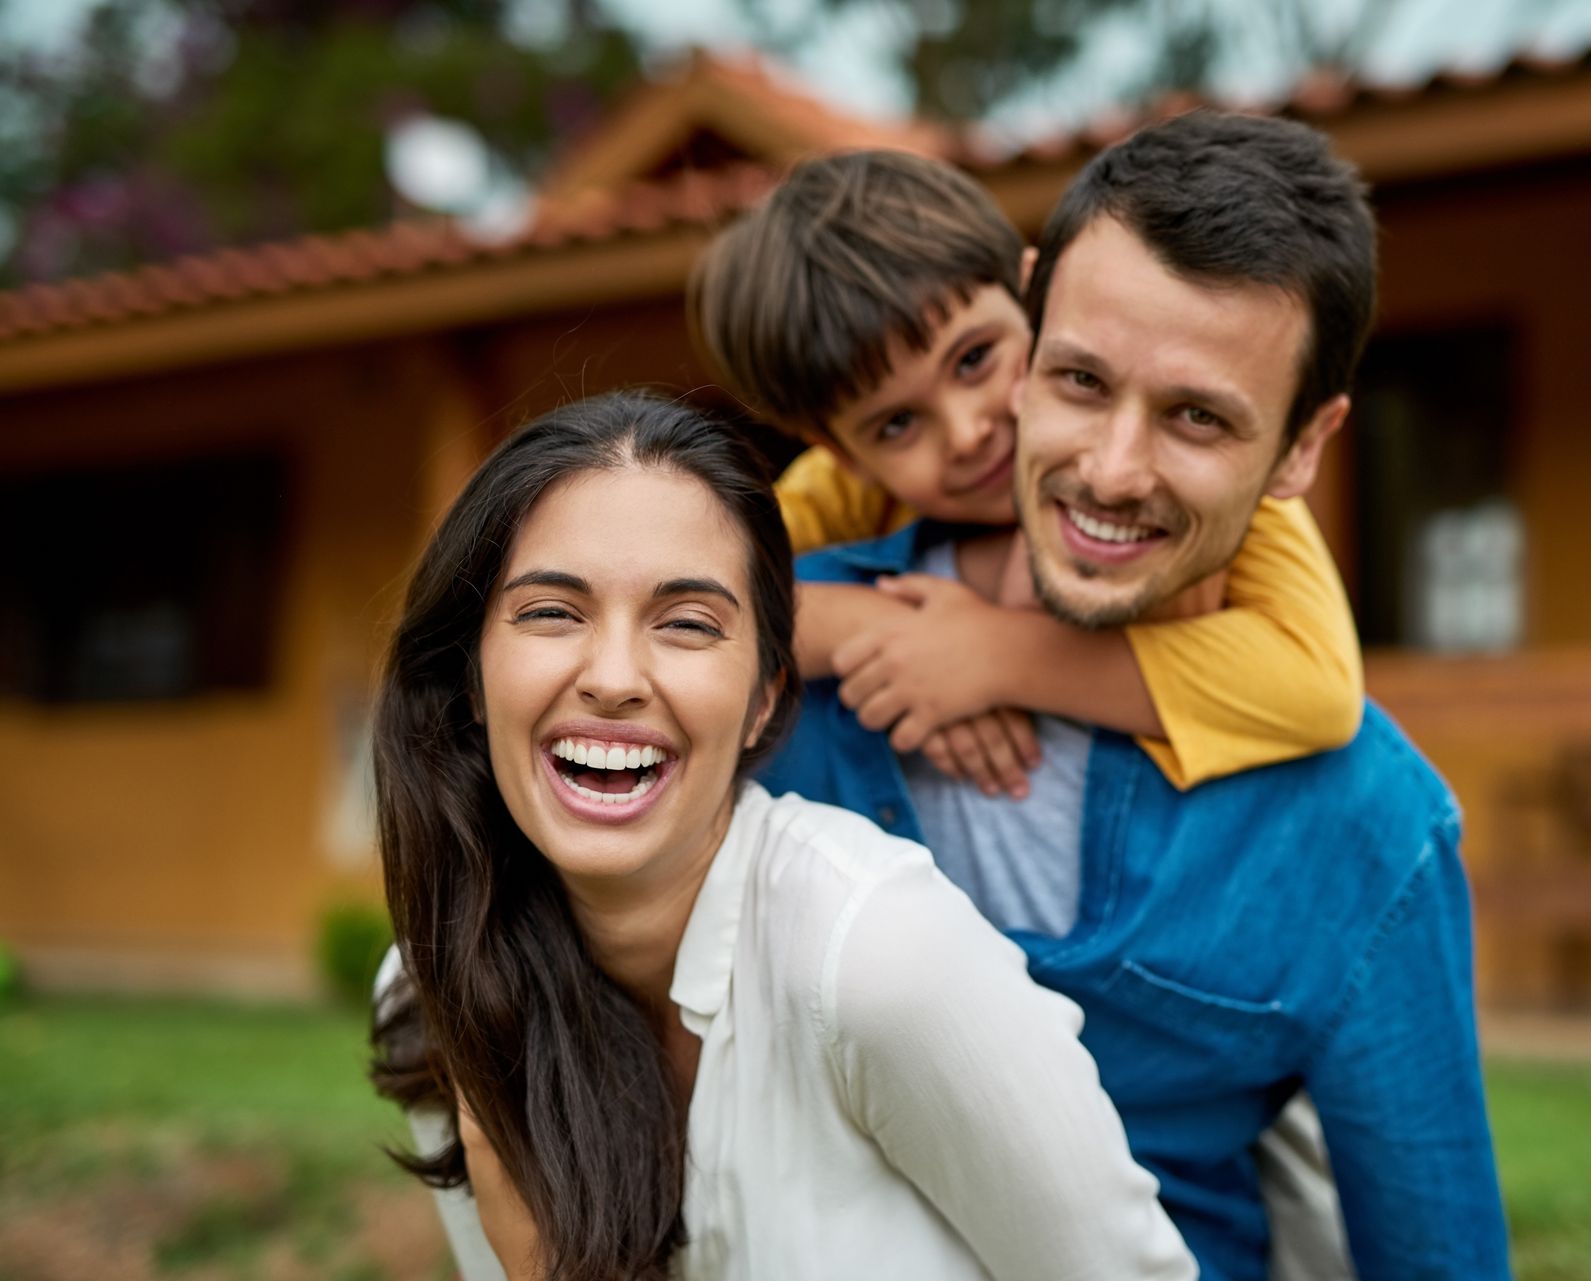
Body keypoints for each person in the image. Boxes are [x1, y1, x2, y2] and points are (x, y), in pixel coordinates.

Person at [755, 111, 1512, 1280]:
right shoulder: (771, 651)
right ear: (1035, 319)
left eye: (1198, 416)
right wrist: (841, 626)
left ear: (1305, 449)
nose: (1113, 468)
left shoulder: (1364, 828)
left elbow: (1436, 1247)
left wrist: (998, 657)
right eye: (1078, 380)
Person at [368, 390, 1198, 1281]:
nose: (613, 677)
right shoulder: (436, 990)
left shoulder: (877, 957)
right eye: (551, 613)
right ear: (471, 675)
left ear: (765, 692)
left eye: (687, 623)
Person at [689, 149, 1365, 800]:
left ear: (1036, 297)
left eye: (975, 358)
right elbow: (677, 599)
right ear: (845, 454)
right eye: (897, 424)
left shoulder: (1204, 480)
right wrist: (885, 634)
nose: (966, 431)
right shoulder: (843, 491)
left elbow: (1318, 686)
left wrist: (999, 658)